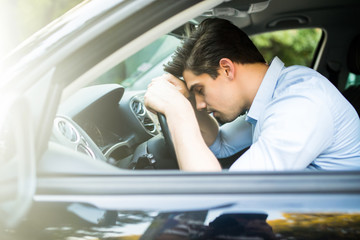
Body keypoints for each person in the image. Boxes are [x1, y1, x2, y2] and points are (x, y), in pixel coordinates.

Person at [144, 18, 360, 171]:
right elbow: (220, 144)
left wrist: (177, 110)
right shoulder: (275, 92)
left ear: (226, 69)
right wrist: (186, 101)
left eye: (200, 90)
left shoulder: (299, 105)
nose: (199, 104)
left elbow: (222, 197)